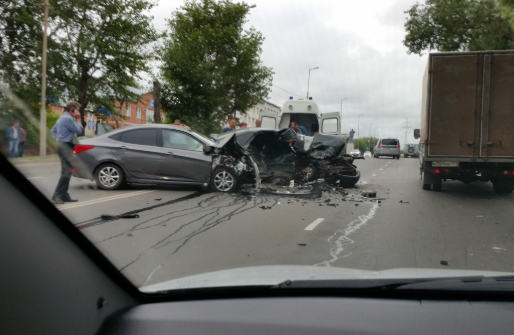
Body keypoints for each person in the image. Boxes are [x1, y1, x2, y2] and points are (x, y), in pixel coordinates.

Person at [50, 102, 83, 204]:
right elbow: (78, 131)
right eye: (77, 110)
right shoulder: (68, 119)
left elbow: (53, 130)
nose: (78, 112)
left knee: (67, 171)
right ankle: (57, 196)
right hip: (66, 146)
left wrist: (59, 139)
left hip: (63, 145)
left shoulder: (62, 118)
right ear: (72, 110)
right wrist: (78, 119)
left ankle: (64, 195)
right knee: (66, 172)